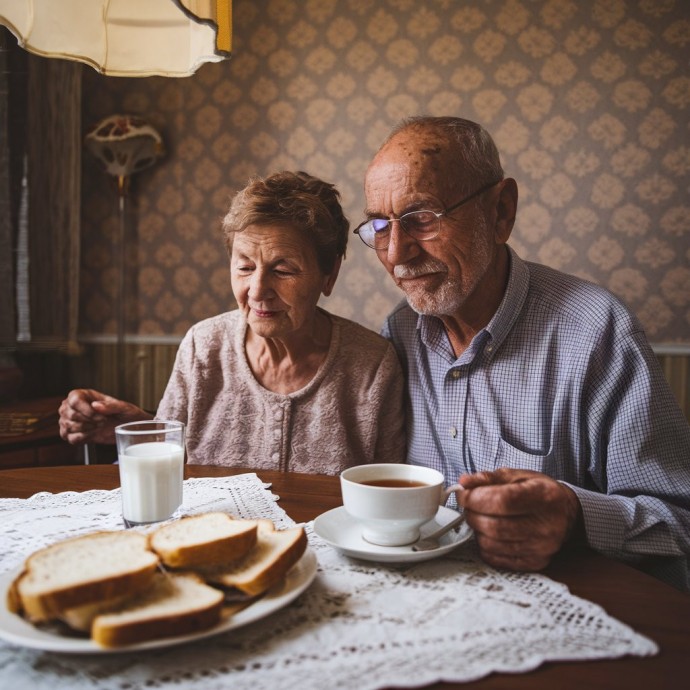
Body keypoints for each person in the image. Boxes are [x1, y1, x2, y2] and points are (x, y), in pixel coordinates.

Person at [356, 115, 690, 589]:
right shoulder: (400, 332)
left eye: (422, 218)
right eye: (379, 226)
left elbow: (679, 521)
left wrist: (575, 515)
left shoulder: (596, 333)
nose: (396, 253)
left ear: (500, 212)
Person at [59, 171, 406, 474]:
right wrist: (136, 428)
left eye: (283, 270)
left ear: (328, 275)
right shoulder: (203, 346)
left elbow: (392, 491)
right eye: (244, 267)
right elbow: (171, 463)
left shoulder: (372, 364)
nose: (257, 291)